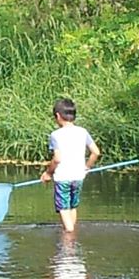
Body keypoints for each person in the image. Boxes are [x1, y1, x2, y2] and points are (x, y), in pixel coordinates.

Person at [39, 98, 100, 232]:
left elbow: (57, 159)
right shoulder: (83, 132)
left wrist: (48, 173)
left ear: (58, 116)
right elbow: (96, 152)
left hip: (63, 177)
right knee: (72, 206)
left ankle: (69, 237)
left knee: (63, 208)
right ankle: (71, 232)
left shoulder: (55, 135)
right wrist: (87, 167)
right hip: (78, 176)